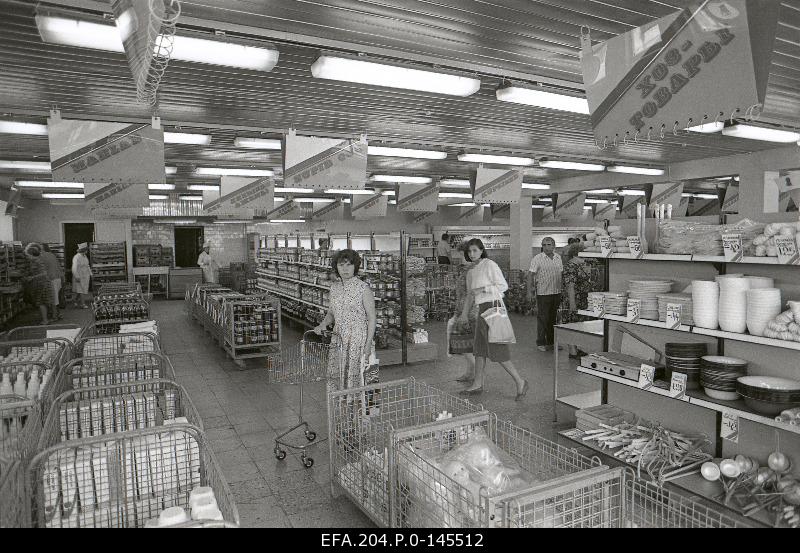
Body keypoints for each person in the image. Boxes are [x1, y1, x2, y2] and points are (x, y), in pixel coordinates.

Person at [457, 238, 528, 400]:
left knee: (497, 349)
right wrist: (464, 314)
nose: (472, 254)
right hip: (482, 310)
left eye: (475, 250)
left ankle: (520, 381)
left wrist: (484, 288)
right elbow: (470, 295)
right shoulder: (471, 271)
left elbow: (503, 286)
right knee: (479, 350)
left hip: (494, 308)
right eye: (469, 251)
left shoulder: (490, 265)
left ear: (482, 250)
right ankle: (477, 383)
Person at [313, 249, 377, 392]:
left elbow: (372, 318)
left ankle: (360, 413)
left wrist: (368, 345)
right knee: (338, 377)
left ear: (355, 267)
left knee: (360, 379)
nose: (345, 269)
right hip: (338, 338)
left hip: (358, 340)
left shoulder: (363, 289)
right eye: (341, 265)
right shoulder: (334, 288)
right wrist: (323, 324)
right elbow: (331, 313)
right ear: (336, 267)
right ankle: (342, 410)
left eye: (349, 265)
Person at [527, 236, 563, 352]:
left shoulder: (558, 258)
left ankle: (551, 342)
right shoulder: (537, 258)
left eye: (549, 245)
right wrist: (529, 291)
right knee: (543, 318)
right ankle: (541, 342)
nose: (546, 247)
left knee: (553, 319)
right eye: (544, 245)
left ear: (554, 246)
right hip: (543, 293)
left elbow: (561, 275)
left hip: (556, 292)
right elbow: (530, 275)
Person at [560, 243, 595, 358]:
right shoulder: (570, 267)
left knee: (576, 325)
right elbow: (570, 286)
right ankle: (572, 352)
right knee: (571, 324)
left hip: (580, 300)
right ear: (577, 254)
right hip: (573, 300)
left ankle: (575, 348)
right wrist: (572, 304)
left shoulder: (578, 266)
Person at [450, 242, 477, 382]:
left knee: (462, 342)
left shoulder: (471, 270)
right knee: (467, 344)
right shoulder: (466, 270)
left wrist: (463, 314)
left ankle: (477, 374)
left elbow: (470, 294)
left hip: (469, 312)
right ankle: (470, 373)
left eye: (461, 254)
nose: (460, 257)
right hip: (464, 309)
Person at [24, 244, 52, 324]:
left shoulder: (38, 261)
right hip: (40, 283)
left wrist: (32, 277)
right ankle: (45, 318)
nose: (27, 257)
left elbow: (44, 273)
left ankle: (45, 320)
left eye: (28, 255)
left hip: (42, 283)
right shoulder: (35, 261)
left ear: (32, 254)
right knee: (42, 302)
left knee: (41, 302)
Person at [41, 243, 63, 321]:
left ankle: (54, 316)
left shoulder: (42, 256)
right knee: (56, 298)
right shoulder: (52, 255)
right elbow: (59, 267)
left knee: (53, 299)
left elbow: (43, 270)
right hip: (58, 278)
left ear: (42, 249)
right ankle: (58, 314)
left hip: (52, 279)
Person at [71, 242, 92, 309]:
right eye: (86, 250)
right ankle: (83, 304)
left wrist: (91, 274)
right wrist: (76, 276)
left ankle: (75, 300)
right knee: (81, 290)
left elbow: (87, 266)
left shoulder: (85, 256)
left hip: (85, 276)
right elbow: (74, 268)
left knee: (80, 290)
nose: (87, 251)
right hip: (79, 276)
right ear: (83, 250)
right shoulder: (76, 257)